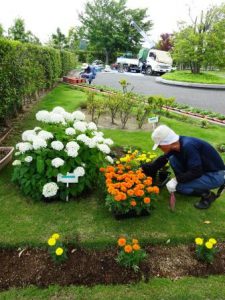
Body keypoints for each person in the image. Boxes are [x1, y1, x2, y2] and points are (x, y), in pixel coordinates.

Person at [141, 125, 225, 209]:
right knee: (172, 159)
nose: (159, 148)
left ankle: (208, 195)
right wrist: (144, 170)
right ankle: (190, 183)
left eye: (159, 146)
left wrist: (176, 180)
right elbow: (163, 159)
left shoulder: (188, 146)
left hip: (216, 175)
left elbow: (196, 171)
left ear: (166, 143)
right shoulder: (176, 144)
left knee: (179, 187)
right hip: (201, 169)